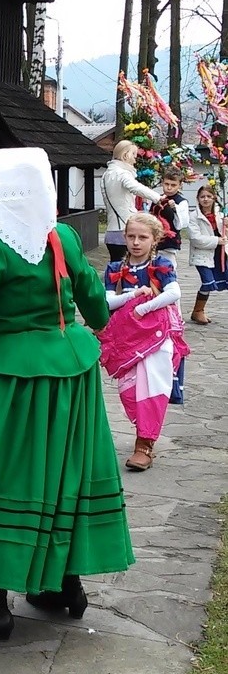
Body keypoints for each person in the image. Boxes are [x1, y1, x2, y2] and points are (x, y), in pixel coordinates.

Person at [0, 148, 133, 643]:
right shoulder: (61, 237)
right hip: (71, 379)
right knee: (61, 478)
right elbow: (97, 309)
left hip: (9, 385)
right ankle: (63, 583)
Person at [101, 213, 188, 472]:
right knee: (129, 389)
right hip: (128, 339)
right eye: (131, 236)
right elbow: (106, 302)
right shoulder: (116, 268)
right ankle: (143, 431)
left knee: (151, 386)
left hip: (156, 337)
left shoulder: (161, 264)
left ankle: (144, 444)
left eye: (143, 237)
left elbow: (174, 292)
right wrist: (134, 296)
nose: (136, 242)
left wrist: (145, 307)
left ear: (155, 240)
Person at [100, 140, 162, 257]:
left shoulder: (106, 174)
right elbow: (135, 187)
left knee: (116, 269)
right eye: (134, 155)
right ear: (126, 155)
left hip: (111, 231)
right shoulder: (122, 173)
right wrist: (158, 198)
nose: (135, 159)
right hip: (125, 229)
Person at [188, 183, 227, 323]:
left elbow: (225, 235)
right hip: (202, 255)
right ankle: (198, 310)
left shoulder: (220, 214)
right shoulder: (194, 216)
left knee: (221, 280)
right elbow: (196, 239)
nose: (205, 199)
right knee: (208, 282)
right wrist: (217, 240)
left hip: (220, 254)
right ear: (198, 199)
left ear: (214, 198)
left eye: (209, 196)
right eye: (202, 196)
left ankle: (198, 311)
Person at [154, 169, 190, 270]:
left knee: (168, 267)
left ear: (180, 185)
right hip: (154, 240)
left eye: (173, 185)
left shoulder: (181, 202)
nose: (169, 188)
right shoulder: (157, 199)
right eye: (166, 184)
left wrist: (175, 209)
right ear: (162, 182)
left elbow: (182, 223)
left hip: (169, 241)